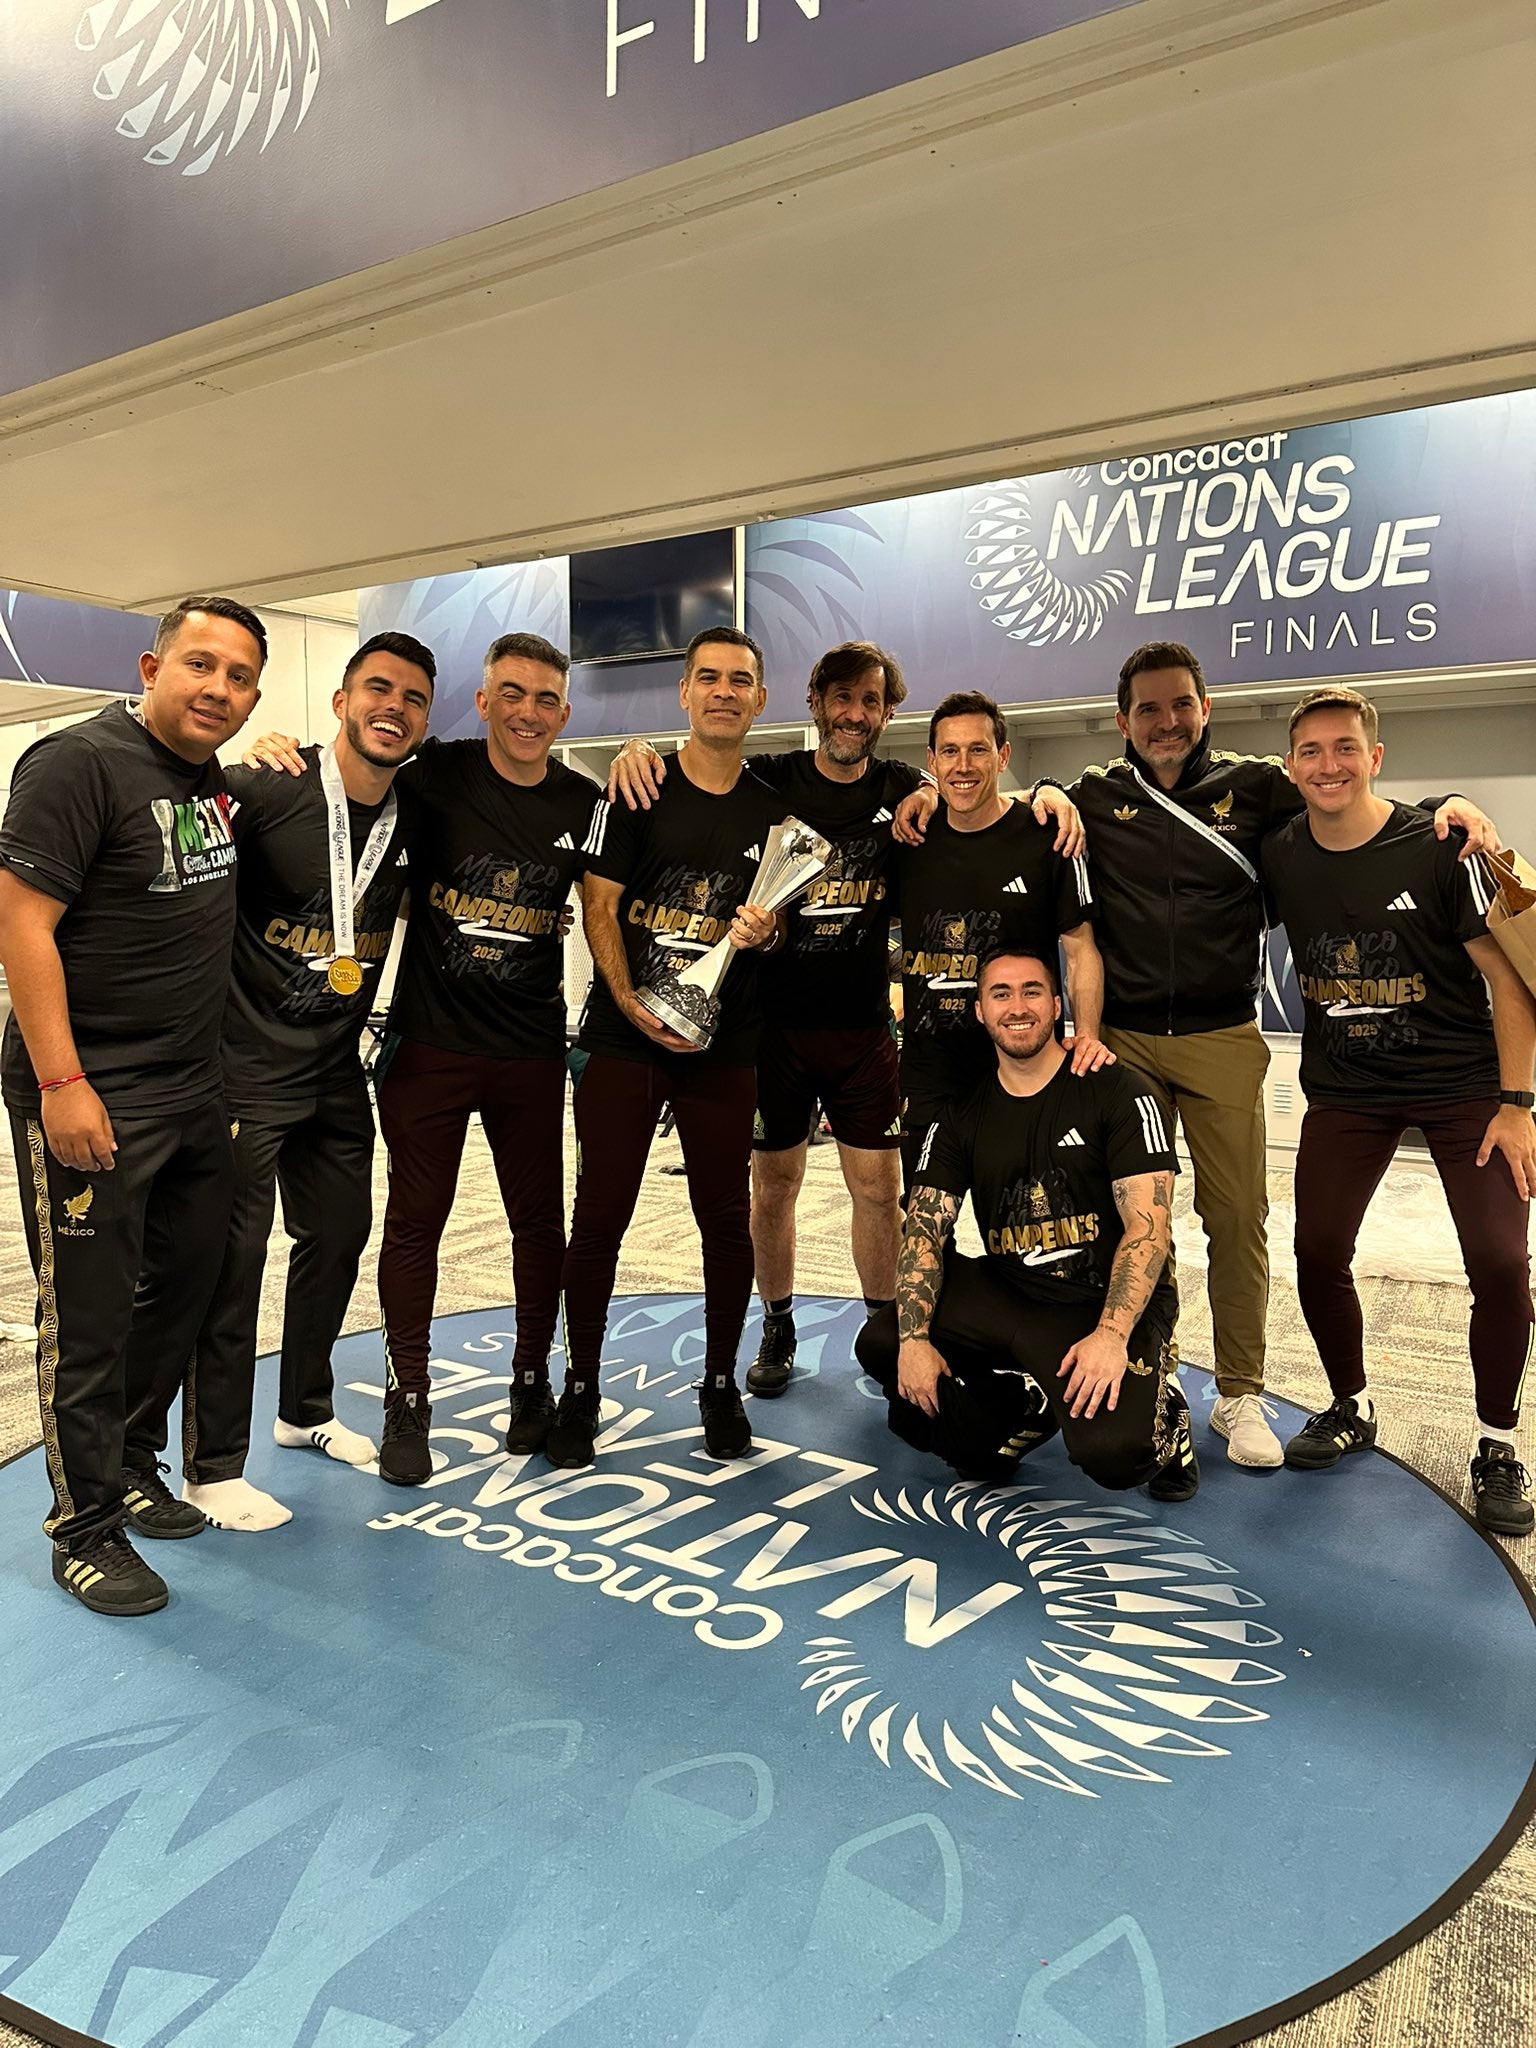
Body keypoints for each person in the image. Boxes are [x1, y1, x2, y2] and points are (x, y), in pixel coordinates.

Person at [901, 643, 1499, 1473]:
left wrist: (1448, 804)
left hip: (1222, 1036)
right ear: (1122, 721)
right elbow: (1016, 802)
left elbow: (1348, 795)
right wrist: (1027, 791)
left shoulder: (1257, 786)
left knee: (1237, 1218)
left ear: (1205, 708)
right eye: (1147, 708)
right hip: (1124, 1042)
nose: (1166, 721)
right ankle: (1158, 1375)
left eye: (1180, 703)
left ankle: (1241, 1390)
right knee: (1133, 1221)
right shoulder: (1093, 795)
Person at [0, 596, 265, 1615]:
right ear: (152, 667)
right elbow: (21, 925)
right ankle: (83, 1529)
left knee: (181, 1291)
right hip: (92, 1089)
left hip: (192, 1089)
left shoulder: (209, 781)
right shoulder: (76, 762)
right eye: (201, 665)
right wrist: (63, 1084)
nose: (219, 689)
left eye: (239, 677)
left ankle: (132, 1464)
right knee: (89, 1316)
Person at [1264, 686, 1535, 1535]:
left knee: (1500, 1262)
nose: (1329, 765)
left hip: (1463, 1087)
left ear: (1375, 757)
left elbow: (1508, 981)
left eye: (1346, 747)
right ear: (1290, 767)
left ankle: (1497, 1444)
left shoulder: (1437, 848)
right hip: (1348, 1091)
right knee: (1316, 1250)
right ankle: (1352, 1405)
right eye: (1312, 751)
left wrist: (1518, 1105)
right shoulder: (1281, 855)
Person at [177, 633, 434, 1532]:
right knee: (233, 1265)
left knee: (338, 1235)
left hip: (333, 1070)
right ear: (340, 701)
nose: (393, 707)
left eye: (412, 697)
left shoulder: (417, 810)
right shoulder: (263, 788)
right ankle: (211, 1468)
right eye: (377, 688)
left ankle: (304, 1409)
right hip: (243, 1071)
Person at [557, 627, 788, 1466]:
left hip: (724, 1046)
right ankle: (580, 1386)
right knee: (601, 1214)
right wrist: (626, 1001)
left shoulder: (774, 813)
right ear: (684, 693)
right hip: (624, 1038)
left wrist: (767, 932)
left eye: (740, 680)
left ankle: (720, 1384)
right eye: (709, 678)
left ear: (759, 699)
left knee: (725, 1218)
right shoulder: (636, 790)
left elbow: (780, 922)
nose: (725, 691)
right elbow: (599, 906)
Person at [857, 947, 1196, 1502]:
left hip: (1098, 1304)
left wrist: (1111, 1336)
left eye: (1032, 991)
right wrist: (914, 1340)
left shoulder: (1120, 1091)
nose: (1017, 1007)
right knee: (883, 1341)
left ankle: (1169, 1422)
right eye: (1001, 994)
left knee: (1116, 1455)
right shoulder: (961, 1114)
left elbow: (1148, 1231)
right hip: (1011, 1291)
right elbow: (924, 1231)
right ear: (980, 1012)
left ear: (1057, 1004)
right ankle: (1020, 1407)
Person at [895, 691, 1106, 1191]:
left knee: (1024, 1217)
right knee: (924, 1221)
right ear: (932, 762)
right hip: (931, 1076)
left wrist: (1087, 1036)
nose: (963, 766)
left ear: (1003, 755)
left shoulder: (1047, 836)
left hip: (1022, 1068)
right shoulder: (910, 840)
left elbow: (1080, 949)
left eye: (978, 750)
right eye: (950, 751)